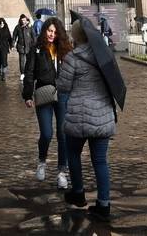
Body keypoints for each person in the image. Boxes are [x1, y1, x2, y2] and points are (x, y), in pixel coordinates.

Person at [58, 18, 121, 223]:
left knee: (73, 153)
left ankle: (78, 193)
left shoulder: (72, 58)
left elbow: (63, 87)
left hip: (79, 115)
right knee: (100, 161)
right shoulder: (105, 56)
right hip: (102, 115)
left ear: (76, 36)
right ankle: (104, 204)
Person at [22, 17, 71, 190]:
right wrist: (27, 94)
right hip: (44, 93)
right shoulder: (37, 49)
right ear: (45, 31)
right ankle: (42, 161)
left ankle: (61, 172)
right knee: (47, 133)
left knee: (63, 134)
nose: (52, 34)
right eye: (50, 31)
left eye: (55, 32)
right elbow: (29, 73)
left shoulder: (65, 50)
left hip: (63, 95)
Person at [12, 13, 34, 80]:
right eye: (22, 20)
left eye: (24, 20)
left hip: (29, 46)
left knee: (29, 61)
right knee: (22, 61)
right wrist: (13, 44)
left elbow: (33, 36)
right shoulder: (17, 27)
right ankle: (22, 73)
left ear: (26, 20)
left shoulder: (30, 27)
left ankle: (28, 73)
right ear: (20, 20)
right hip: (21, 46)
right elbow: (14, 36)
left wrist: (35, 45)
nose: (23, 21)